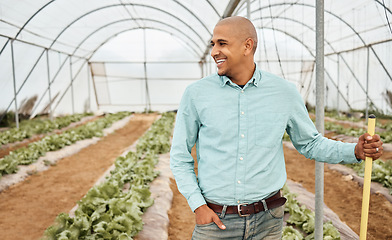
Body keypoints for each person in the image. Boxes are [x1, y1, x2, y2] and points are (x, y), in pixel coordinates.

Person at [170, 16, 384, 240]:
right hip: (216, 222)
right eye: (213, 44)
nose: (214, 51)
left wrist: (354, 151)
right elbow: (179, 155)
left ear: (247, 45)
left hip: (267, 221)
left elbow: (309, 143)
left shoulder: (283, 92)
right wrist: (198, 206)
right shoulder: (196, 94)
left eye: (222, 43)